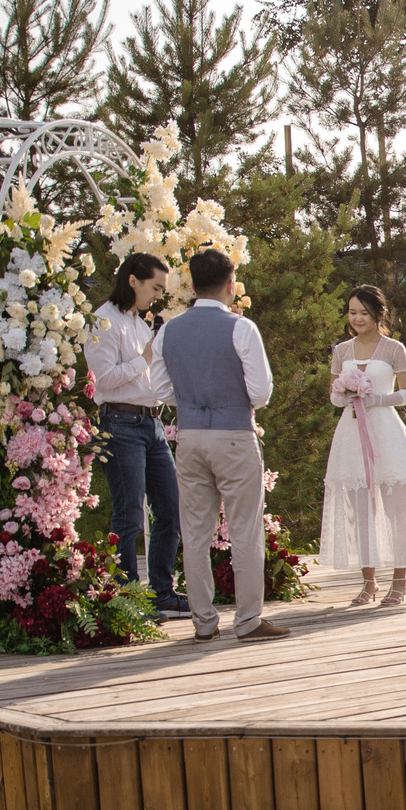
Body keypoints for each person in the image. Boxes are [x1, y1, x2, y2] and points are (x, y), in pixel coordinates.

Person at [147, 249, 283, 642]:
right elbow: (260, 392)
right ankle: (248, 620)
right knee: (244, 530)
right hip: (234, 435)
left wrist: (190, 402)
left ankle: (204, 622)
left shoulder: (169, 330)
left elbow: (159, 390)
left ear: (191, 285)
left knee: (194, 532)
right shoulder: (241, 328)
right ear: (231, 283)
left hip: (190, 437)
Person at [321, 282, 406, 607]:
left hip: (386, 431)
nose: (357, 318)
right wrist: (346, 395)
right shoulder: (341, 351)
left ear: (378, 313)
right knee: (360, 509)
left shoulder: (394, 349)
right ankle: (368, 581)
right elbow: (333, 396)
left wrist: (377, 399)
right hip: (351, 433)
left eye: (364, 312)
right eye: (352, 312)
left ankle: (400, 580)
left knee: (396, 508)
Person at [86, 253, 189, 620]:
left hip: (152, 424)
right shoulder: (102, 320)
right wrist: (144, 358)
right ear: (133, 280)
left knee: (171, 509)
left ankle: (161, 593)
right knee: (129, 515)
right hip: (120, 423)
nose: (158, 295)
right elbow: (103, 380)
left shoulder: (140, 324)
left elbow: (151, 376)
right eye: (155, 287)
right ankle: (128, 599)